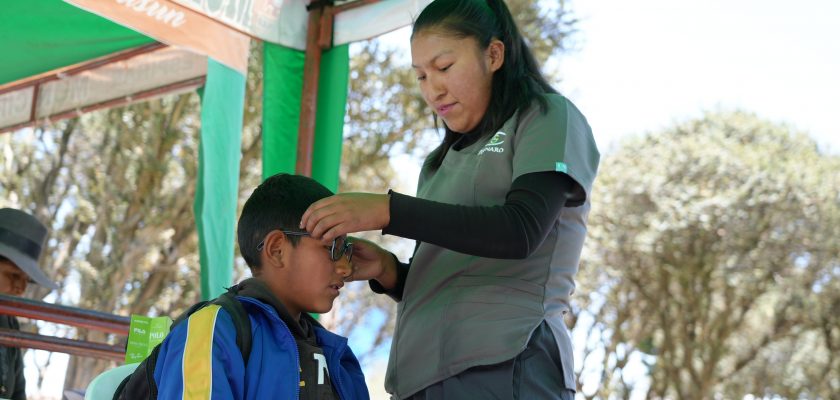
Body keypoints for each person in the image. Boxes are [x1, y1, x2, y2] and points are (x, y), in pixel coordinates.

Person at [299, 1, 600, 398]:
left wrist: (387, 210)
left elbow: (520, 231)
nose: (432, 89)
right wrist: (389, 270)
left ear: (493, 54)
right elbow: (453, 277)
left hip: (506, 365)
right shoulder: (438, 163)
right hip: (418, 379)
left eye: (444, 67)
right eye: (421, 76)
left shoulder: (544, 116)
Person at [153, 174, 369, 399]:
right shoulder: (216, 329)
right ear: (277, 250)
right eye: (332, 247)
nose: (346, 267)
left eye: (347, 251)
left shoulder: (340, 358)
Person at [0, 207, 59, 400]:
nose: (20, 289)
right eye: (13, 275)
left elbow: (17, 392)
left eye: (26, 281)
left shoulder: (9, 323)